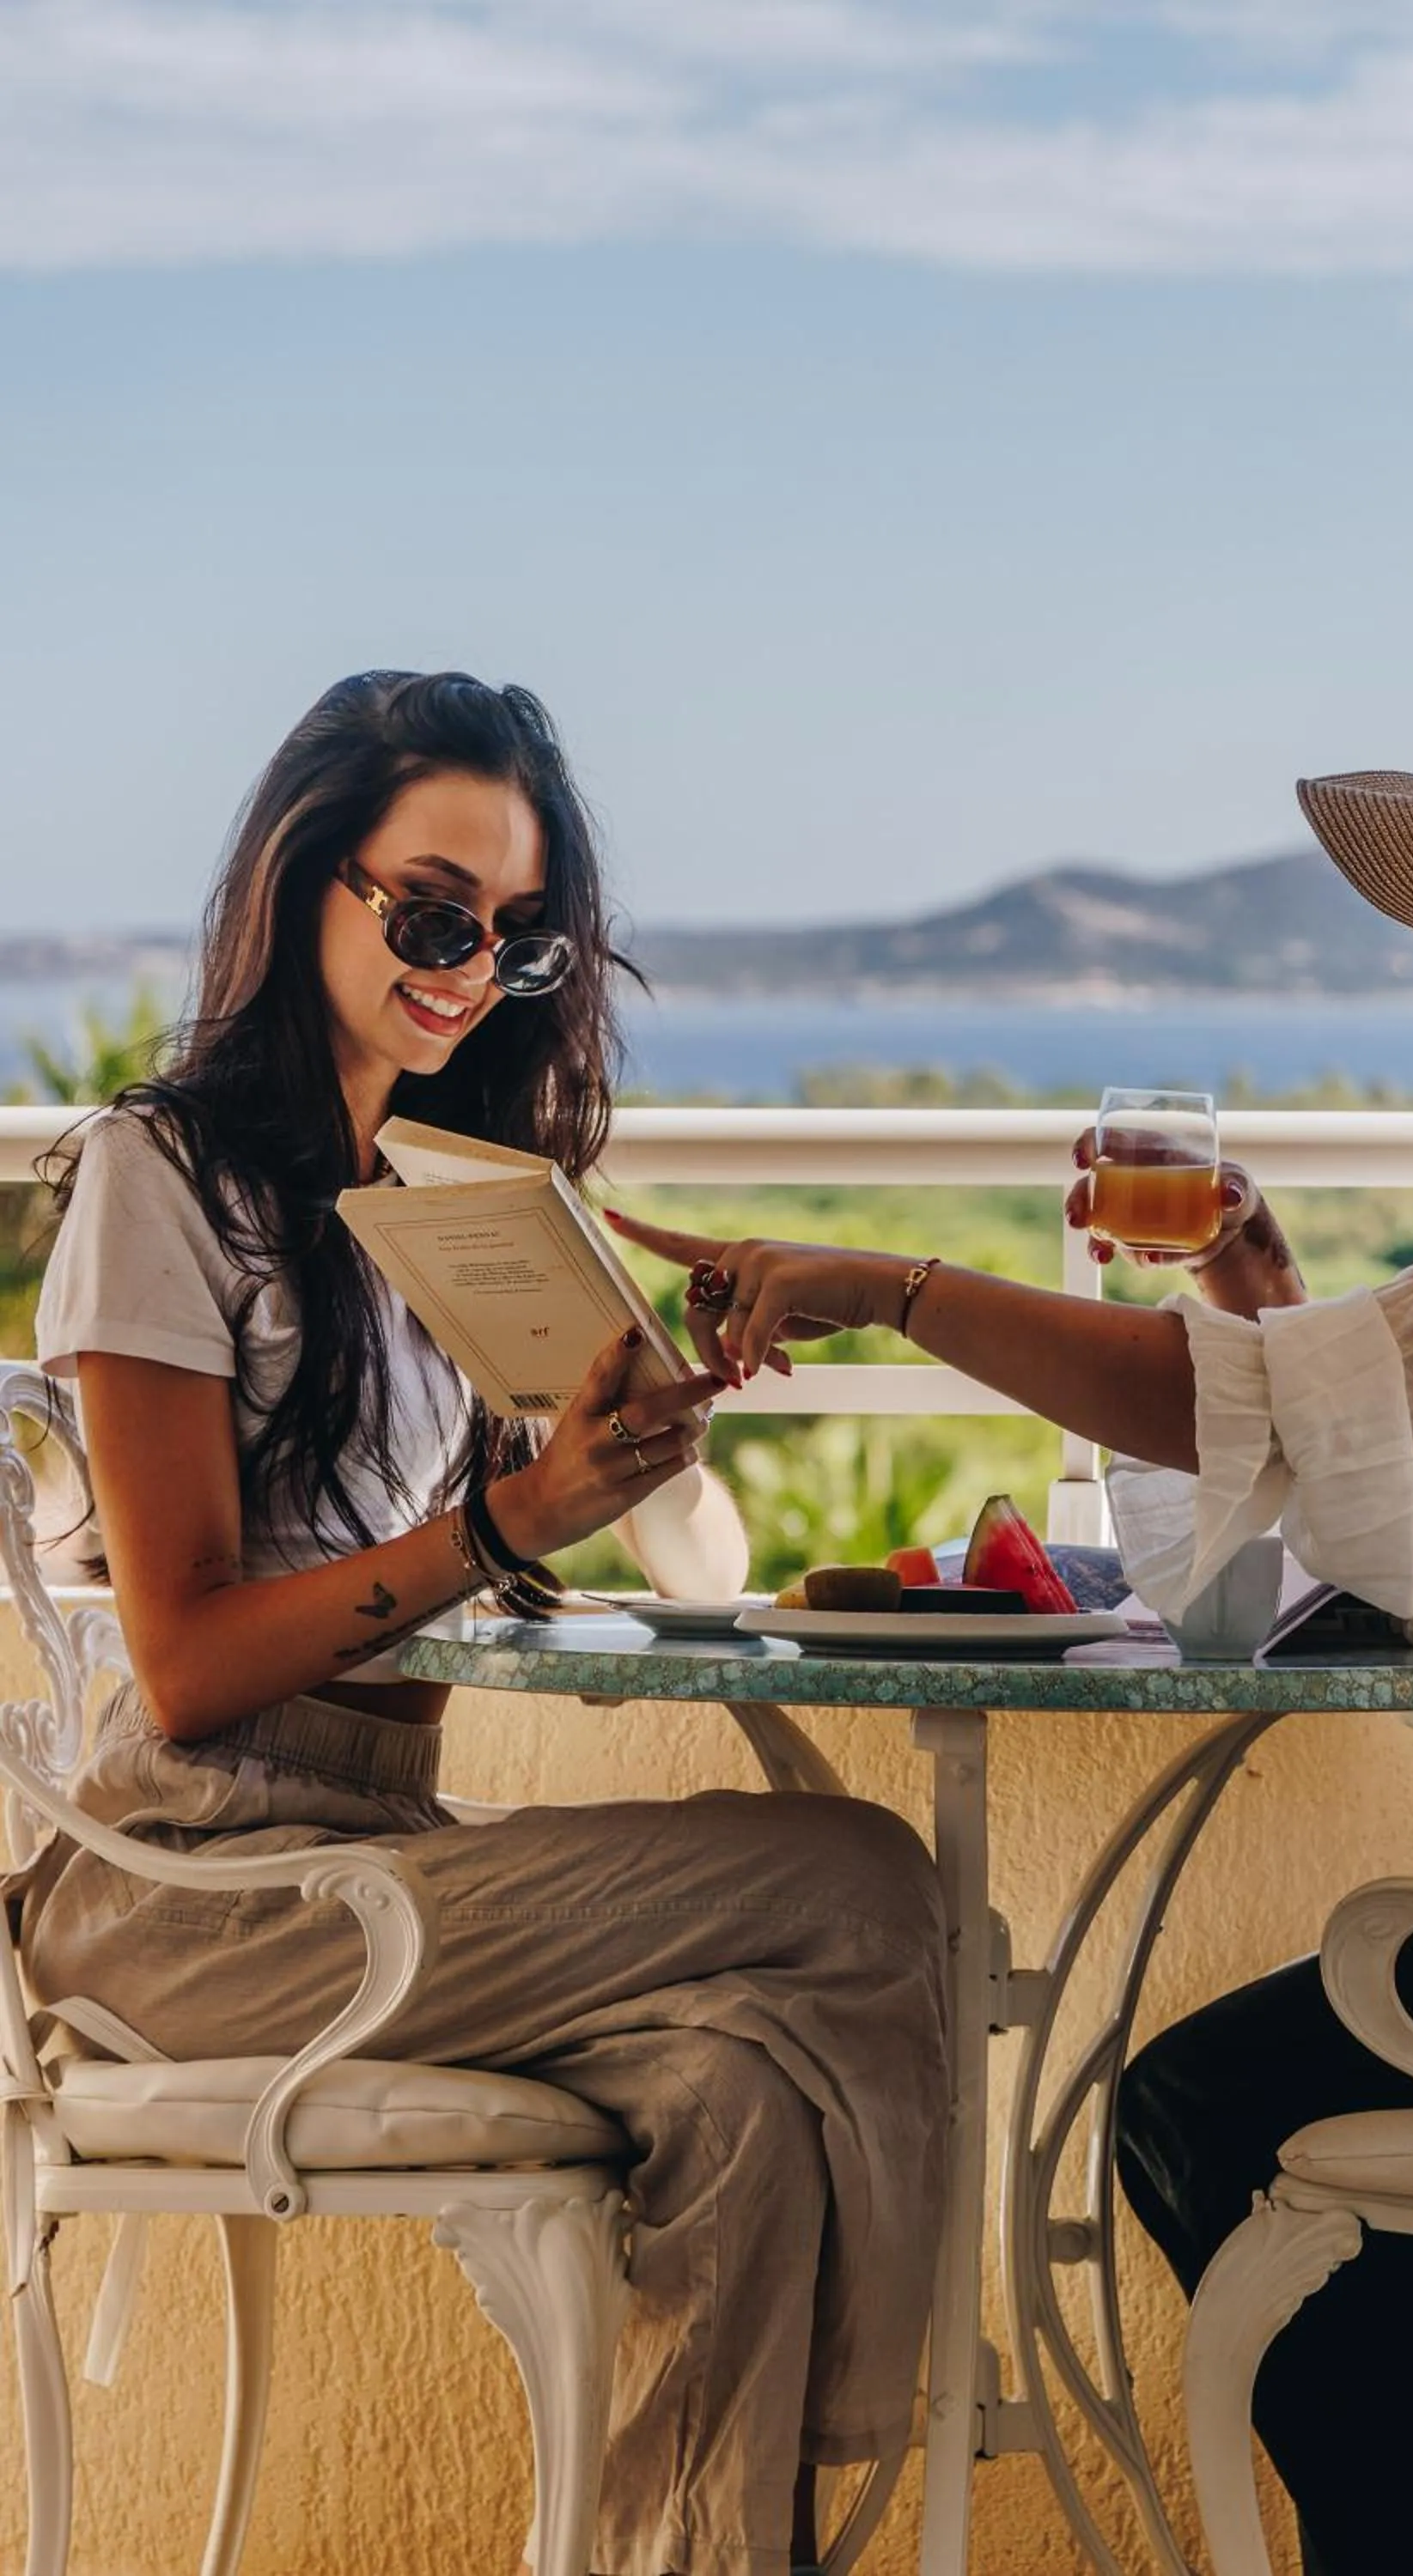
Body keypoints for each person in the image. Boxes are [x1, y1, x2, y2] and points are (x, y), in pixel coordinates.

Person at [615, 689, 1413, 2575]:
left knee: (1212, 2107)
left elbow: (1210, 1417)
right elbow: (1409, 1459)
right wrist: (1263, 1294)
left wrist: (898, 1286)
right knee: (1267, 2133)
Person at [16, 670, 949, 2576]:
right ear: (303, 883)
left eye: (517, 939)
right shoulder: (159, 1179)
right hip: (194, 1899)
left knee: (749, 2095)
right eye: (433, 912)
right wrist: (508, 1524)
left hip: (376, 1866)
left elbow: (693, 1573)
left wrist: (645, 1407)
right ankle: (898, 2464)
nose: (469, 965)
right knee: (857, 1877)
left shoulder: (442, 1197)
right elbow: (186, 1665)